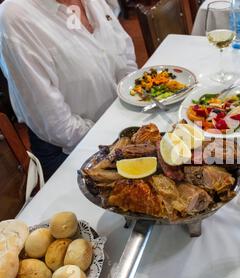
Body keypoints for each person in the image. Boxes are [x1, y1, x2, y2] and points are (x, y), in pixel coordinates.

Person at [0, 0, 137, 180]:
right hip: (72, 153)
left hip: (119, 126)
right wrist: (115, 135)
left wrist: (132, 102)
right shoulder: (15, 17)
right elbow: (57, 127)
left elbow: (125, 55)